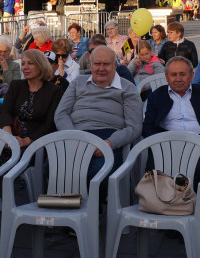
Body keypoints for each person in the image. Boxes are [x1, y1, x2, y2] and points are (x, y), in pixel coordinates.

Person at [54, 46, 143, 179]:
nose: (101, 68)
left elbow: (134, 126)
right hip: (76, 134)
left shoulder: (127, 88)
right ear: (90, 64)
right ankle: (66, 200)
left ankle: (92, 200)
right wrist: (73, 138)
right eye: (97, 64)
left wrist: (109, 143)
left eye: (106, 64)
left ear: (114, 65)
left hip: (108, 137)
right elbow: (61, 114)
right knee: (54, 167)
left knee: (97, 173)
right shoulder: (78, 82)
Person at [143, 55, 200, 147]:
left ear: (191, 76)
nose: (178, 79)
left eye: (182, 74)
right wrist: (160, 144)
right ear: (167, 77)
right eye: (173, 74)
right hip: (166, 149)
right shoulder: (157, 96)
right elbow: (148, 127)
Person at [0, 50, 62, 149]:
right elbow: (5, 111)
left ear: (41, 65)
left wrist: (27, 140)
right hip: (9, 137)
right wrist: (9, 137)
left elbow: (50, 123)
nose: (25, 67)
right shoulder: (16, 85)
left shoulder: (54, 91)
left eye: (30, 63)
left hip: (37, 143)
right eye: (23, 64)